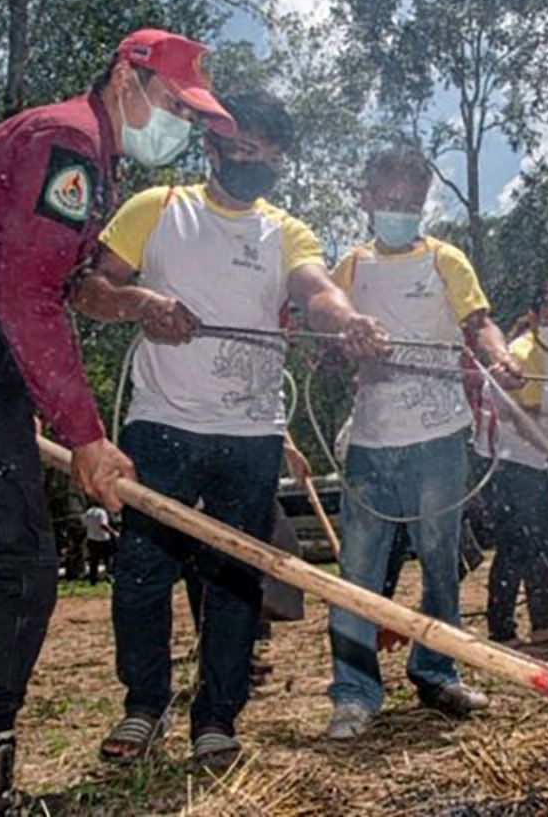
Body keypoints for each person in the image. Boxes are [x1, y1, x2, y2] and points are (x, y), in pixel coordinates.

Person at [0, 29, 228, 815]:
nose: (180, 127)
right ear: (126, 80)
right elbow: (24, 297)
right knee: (13, 570)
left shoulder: (87, 161)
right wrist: (87, 435)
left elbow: (68, 285)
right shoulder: (66, 141)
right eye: (174, 105)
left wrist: (136, 302)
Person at [73, 89, 386, 768]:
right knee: (142, 575)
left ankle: (217, 717)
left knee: (238, 581)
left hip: (251, 434)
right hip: (161, 427)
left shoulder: (286, 231)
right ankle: (144, 707)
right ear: (211, 145)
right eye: (244, 149)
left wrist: (348, 319)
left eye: (270, 156)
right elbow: (90, 290)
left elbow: (316, 290)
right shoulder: (156, 209)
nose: (256, 165)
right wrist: (139, 303)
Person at [324, 143, 523, 740]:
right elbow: (328, 350)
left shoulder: (446, 260)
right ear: (364, 199)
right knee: (356, 569)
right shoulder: (350, 270)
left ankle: (437, 672)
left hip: (438, 437)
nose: (399, 212)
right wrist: (349, 350)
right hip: (372, 442)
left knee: (440, 562)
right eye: (388, 201)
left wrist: (500, 356)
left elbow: (478, 323)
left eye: (410, 203)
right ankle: (354, 694)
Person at [475, 282, 548, 654]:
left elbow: (543, 422)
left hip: (534, 460)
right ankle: (502, 633)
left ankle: (543, 628)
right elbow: (519, 418)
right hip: (505, 462)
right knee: (514, 547)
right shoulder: (521, 354)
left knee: (541, 545)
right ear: (534, 318)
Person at [81, 505, 117, 585]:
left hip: (91, 539)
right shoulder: (101, 512)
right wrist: (113, 532)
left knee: (94, 561)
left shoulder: (88, 512)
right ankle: (109, 576)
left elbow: (84, 525)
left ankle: (93, 580)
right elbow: (103, 525)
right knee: (107, 559)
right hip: (103, 539)